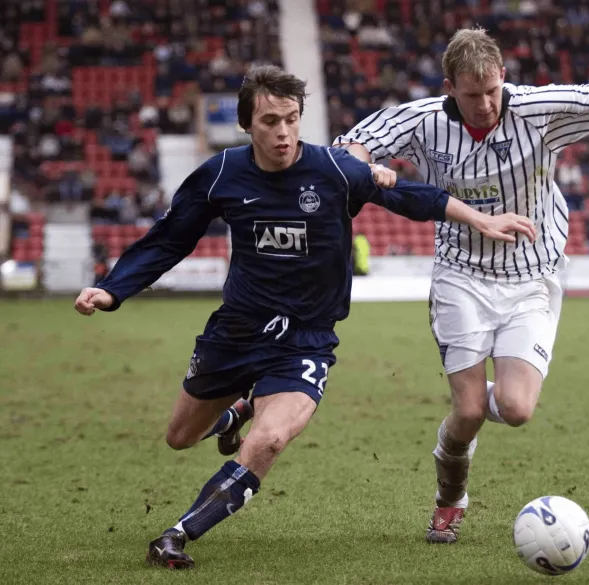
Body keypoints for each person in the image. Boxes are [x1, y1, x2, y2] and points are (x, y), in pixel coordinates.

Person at [72, 64, 536, 568]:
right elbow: (169, 239)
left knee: (270, 440)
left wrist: (480, 218)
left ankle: (176, 535)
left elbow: (411, 197)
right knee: (179, 437)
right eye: (270, 121)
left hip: (305, 341)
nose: (284, 132)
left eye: (292, 118)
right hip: (236, 332)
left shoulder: (334, 170)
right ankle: (235, 412)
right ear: (247, 124)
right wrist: (112, 290)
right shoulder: (221, 174)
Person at [333, 27, 589, 544]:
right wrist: (370, 167)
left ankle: (471, 399)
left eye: (492, 90)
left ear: (503, 76)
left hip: (532, 275)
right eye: (472, 94)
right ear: (449, 87)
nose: (485, 104)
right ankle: (450, 497)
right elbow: (346, 149)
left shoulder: (537, 108)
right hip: (461, 273)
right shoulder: (421, 119)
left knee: (517, 408)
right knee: (468, 412)